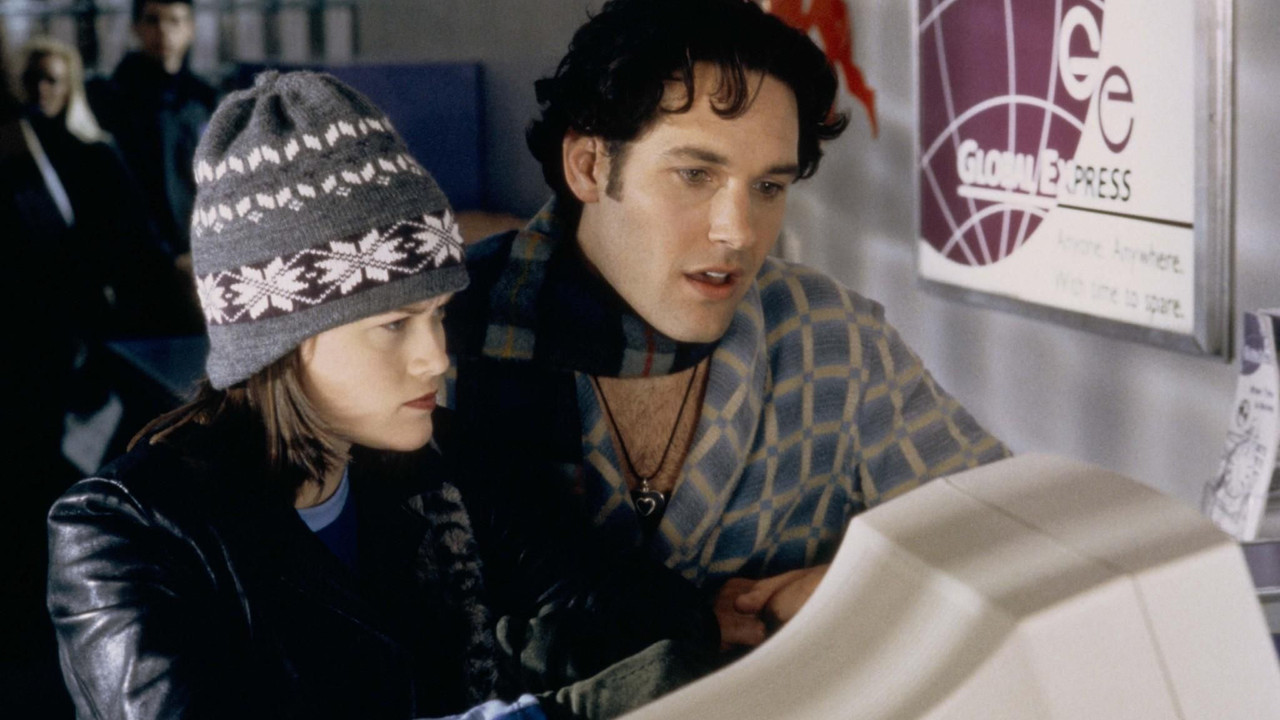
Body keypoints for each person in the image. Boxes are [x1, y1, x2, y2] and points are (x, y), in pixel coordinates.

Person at [48, 71, 716, 720]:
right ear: (282, 339)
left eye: (437, 315)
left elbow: (634, 607)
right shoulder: (125, 533)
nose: (435, 357)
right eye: (394, 325)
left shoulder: (443, 461)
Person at [443, 0, 1009, 662]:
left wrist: (863, 586)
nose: (738, 232)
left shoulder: (830, 338)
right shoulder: (437, 347)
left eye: (768, 187)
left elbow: (1013, 529)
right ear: (589, 166)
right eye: (695, 175)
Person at [89, 0, 216, 265]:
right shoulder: (113, 99)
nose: (163, 31)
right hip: (138, 255)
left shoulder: (203, 99)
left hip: (202, 250)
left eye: (174, 20)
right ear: (136, 28)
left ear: (190, 28)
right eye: (153, 20)